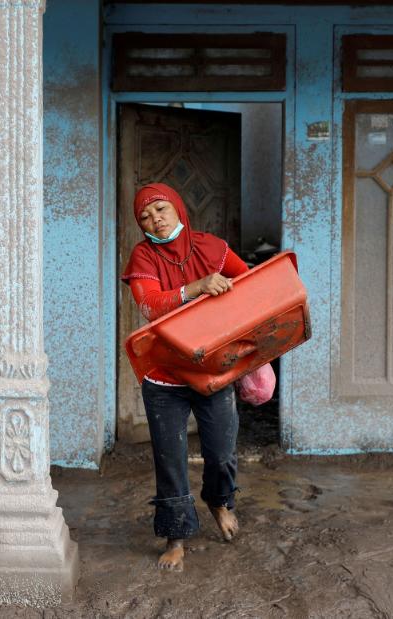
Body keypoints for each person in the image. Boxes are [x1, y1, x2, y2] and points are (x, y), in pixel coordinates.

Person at [121, 182, 250, 571]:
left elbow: (247, 283)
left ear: (178, 208)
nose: (154, 219)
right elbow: (150, 305)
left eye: (160, 209)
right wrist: (198, 287)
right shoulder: (143, 256)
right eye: (145, 216)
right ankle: (176, 537)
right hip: (164, 378)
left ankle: (218, 500)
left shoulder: (212, 248)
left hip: (212, 369)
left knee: (221, 452)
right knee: (171, 460)